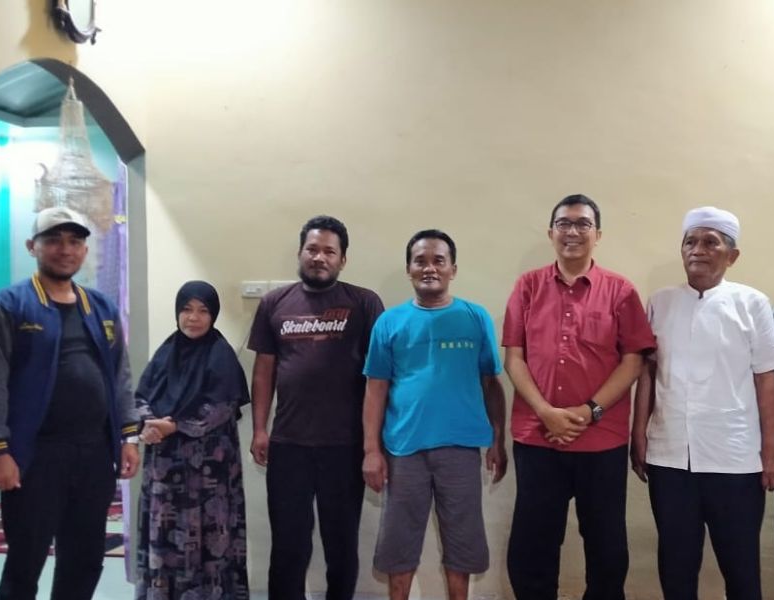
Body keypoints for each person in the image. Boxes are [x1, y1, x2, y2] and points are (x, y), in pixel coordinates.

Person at [0, 206, 140, 600]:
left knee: (85, 560)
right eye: (53, 240)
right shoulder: (8, 306)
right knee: (25, 561)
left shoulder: (101, 307)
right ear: (32, 246)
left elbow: (119, 374)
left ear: (84, 250)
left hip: (94, 454)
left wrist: (128, 436)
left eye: (74, 241)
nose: (65, 250)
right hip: (35, 456)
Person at [503, 194, 655, 600]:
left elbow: (633, 361)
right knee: (532, 546)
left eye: (583, 224)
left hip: (601, 440)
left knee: (607, 548)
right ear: (551, 232)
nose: (573, 232)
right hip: (538, 437)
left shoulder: (620, 291)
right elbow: (514, 357)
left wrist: (589, 411)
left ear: (597, 234)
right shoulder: (528, 286)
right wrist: (545, 412)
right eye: (564, 224)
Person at [631, 206, 774, 600]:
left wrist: (771, 449)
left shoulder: (752, 304)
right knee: (676, 567)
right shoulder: (660, 302)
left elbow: (767, 378)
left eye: (710, 242)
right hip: (669, 457)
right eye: (690, 242)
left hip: (736, 459)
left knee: (741, 569)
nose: (697, 250)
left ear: (732, 255)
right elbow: (647, 372)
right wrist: (638, 434)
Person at [362, 229, 507, 600]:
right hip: (403, 450)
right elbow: (375, 390)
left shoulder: (475, 317)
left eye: (438, 261)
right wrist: (371, 451)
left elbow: (491, 383)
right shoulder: (389, 323)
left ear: (452, 269)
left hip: (461, 449)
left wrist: (498, 440)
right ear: (409, 269)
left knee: (463, 543)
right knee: (398, 546)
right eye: (420, 261)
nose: (429, 268)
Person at [248, 215, 384, 600]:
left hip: (344, 445)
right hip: (288, 445)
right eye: (312, 249)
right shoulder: (274, 303)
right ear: (300, 253)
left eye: (329, 251)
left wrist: (373, 445)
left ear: (343, 259)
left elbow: (380, 378)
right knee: (288, 545)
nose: (319, 257)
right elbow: (263, 371)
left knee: (341, 545)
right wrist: (260, 429)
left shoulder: (364, 303)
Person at [135, 280, 250, 600]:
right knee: (166, 535)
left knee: (208, 542)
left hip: (208, 476)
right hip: (165, 473)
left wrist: (172, 425)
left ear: (213, 315)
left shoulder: (221, 355)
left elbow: (219, 409)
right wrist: (148, 423)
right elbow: (141, 395)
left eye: (203, 311)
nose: (193, 318)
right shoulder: (166, 353)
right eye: (186, 309)